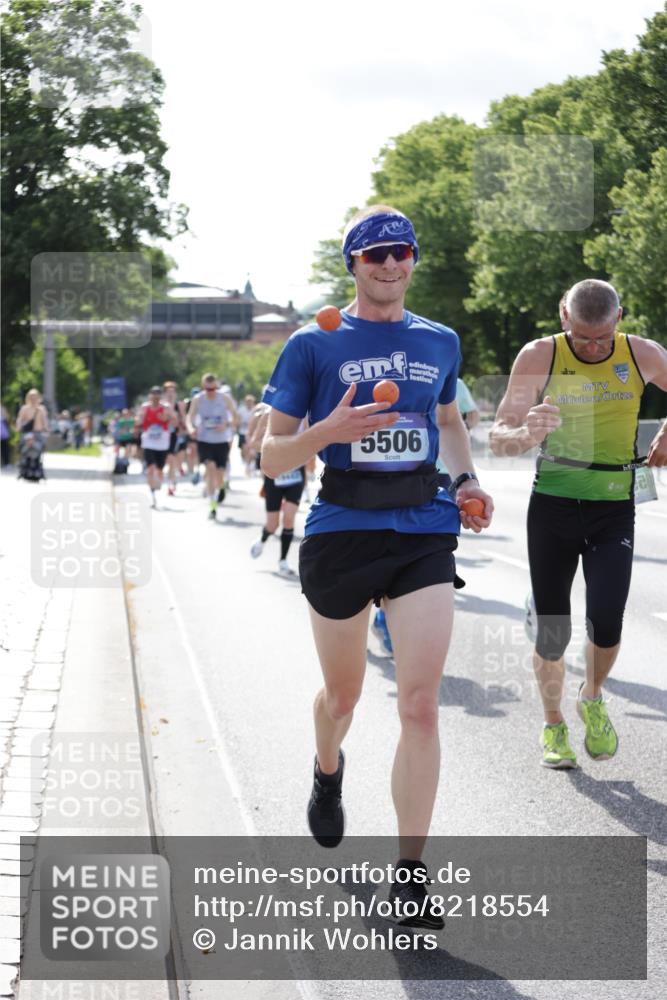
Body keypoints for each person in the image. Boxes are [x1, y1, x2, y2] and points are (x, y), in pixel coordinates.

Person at [261, 205, 492, 929]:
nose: (390, 263)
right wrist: (329, 430)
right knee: (343, 697)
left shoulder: (439, 339)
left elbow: (447, 421)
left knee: (419, 703)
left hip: (423, 528)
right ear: (354, 265)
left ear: (413, 259)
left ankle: (410, 876)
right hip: (342, 529)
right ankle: (327, 769)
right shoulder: (312, 343)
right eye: (375, 254)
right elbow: (270, 455)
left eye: (401, 251)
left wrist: (466, 481)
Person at [490, 279, 667, 769]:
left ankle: (591, 695)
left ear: (619, 319)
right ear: (564, 316)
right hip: (553, 506)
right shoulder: (539, 355)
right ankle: (553, 725)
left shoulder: (642, 354)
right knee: (553, 629)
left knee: (607, 622)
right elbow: (499, 438)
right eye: (582, 337)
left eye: (602, 338)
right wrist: (527, 433)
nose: (591, 347)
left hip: (614, 507)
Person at [373, 376, 481, 654]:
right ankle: (384, 614)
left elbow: (472, 415)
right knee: (392, 543)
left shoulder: (453, 382)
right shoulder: (397, 378)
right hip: (405, 467)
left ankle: (397, 611)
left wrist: (463, 430)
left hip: (444, 470)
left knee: (431, 542)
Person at [248, 403, 305, 578]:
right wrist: (276, 446)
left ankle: (283, 560)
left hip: (295, 473)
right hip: (274, 474)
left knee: (289, 517)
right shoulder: (269, 414)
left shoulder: (305, 415)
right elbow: (254, 443)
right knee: (273, 525)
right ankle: (263, 539)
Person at [186, 374, 239, 520]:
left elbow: (235, 417)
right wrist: (191, 428)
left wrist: (226, 424)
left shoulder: (224, 398)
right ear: (203, 387)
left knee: (219, 474)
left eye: (213, 389)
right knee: (210, 468)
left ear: (217, 387)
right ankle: (212, 506)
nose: (211, 392)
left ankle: (221, 487)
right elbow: (189, 416)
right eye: (208, 389)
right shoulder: (198, 399)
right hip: (204, 440)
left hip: (221, 441)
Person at [135, 386, 175, 508]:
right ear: (150, 396)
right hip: (149, 442)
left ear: (160, 397)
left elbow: (175, 422)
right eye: (153, 395)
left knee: (159, 469)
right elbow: (138, 421)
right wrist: (140, 419)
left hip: (162, 443)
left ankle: (157, 480)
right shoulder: (144, 407)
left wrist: (167, 418)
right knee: (150, 468)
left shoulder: (166, 407)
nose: (155, 398)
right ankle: (152, 495)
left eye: (157, 396)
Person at [16, 389, 49, 481]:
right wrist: (18, 427)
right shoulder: (25, 408)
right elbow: (20, 420)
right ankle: (25, 469)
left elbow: (45, 421)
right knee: (26, 450)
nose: (33, 399)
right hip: (27, 434)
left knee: (38, 450)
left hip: (38, 433)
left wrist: (46, 430)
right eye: (31, 397)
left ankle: (36, 470)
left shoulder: (41, 409)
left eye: (35, 397)